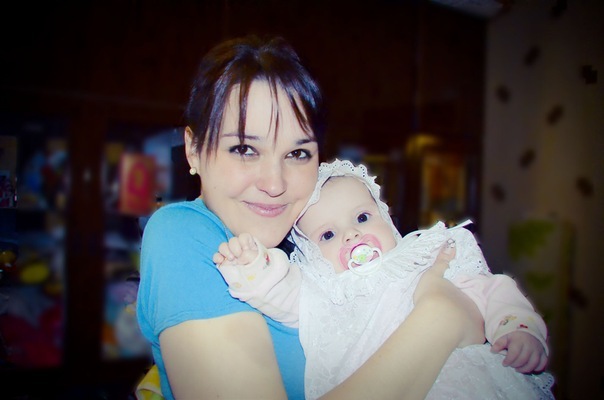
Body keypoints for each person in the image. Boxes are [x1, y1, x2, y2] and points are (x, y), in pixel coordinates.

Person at [136, 34, 485, 400]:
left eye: (297, 154)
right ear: (193, 150)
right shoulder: (183, 235)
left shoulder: (312, 242)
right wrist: (440, 318)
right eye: (245, 149)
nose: (275, 184)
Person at [215, 159, 555, 399]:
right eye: (328, 235)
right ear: (309, 254)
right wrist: (251, 264)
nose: (351, 234)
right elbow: (278, 289)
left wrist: (517, 329)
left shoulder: (425, 257)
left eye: (362, 217)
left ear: (386, 217)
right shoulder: (321, 288)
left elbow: (492, 290)